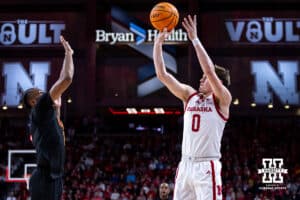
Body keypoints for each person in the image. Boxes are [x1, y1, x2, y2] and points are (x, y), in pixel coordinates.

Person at [153, 15, 231, 200]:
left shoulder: (223, 99)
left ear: (217, 82)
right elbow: (162, 75)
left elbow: (210, 71)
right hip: (185, 164)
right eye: (202, 78)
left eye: (205, 79)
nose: (201, 80)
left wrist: (194, 38)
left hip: (207, 166)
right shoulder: (189, 96)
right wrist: (157, 45)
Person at [22, 36, 74, 200]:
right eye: (40, 92)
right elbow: (66, 79)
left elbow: (60, 80)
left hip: (51, 177)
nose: (44, 92)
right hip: (45, 178)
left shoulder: (45, 116)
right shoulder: (40, 108)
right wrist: (69, 54)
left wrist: (68, 54)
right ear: (33, 101)